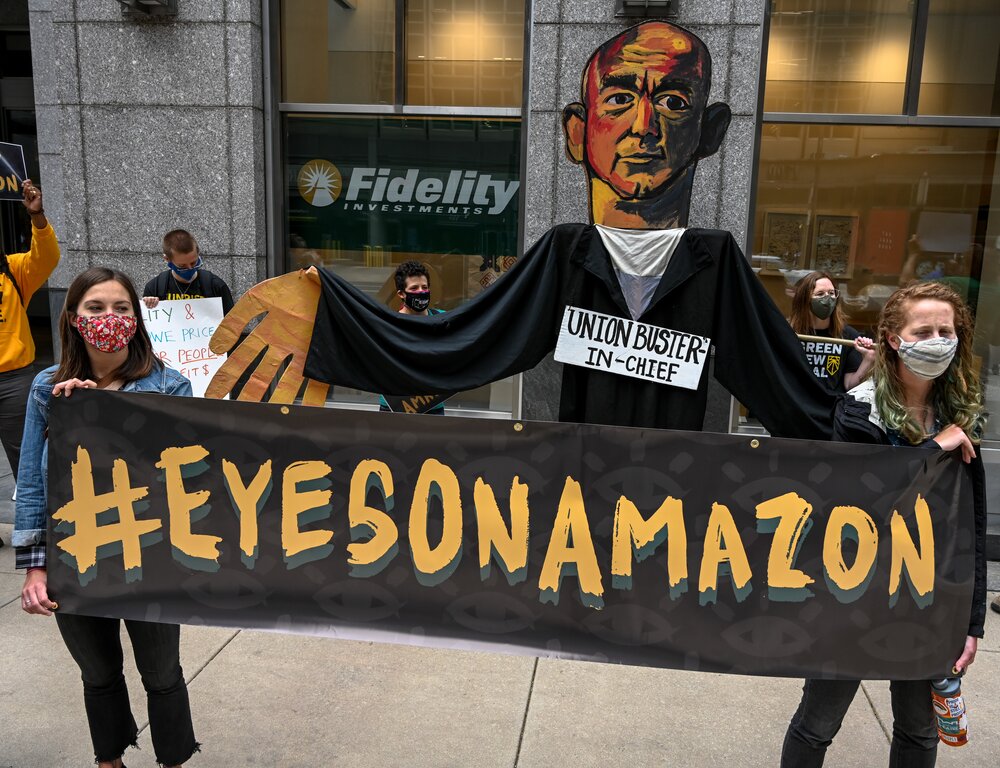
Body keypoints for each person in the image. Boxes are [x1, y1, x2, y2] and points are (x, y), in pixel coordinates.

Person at [207, 21, 836, 445]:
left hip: (675, 492)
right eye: (619, 99)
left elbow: (778, 378)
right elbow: (466, 341)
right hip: (582, 484)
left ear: (711, 129)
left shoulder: (713, 259)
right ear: (576, 130)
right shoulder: (569, 252)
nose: (645, 127)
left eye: (674, 102)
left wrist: (880, 407)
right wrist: (329, 313)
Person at [781, 281, 987, 767]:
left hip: (928, 596)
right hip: (855, 592)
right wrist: (934, 448)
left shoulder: (960, 412)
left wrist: (970, 621)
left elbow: (969, 530)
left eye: (946, 329)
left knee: (919, 731)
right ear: (894, 339)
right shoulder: (857, 412)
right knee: (817, 723)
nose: (938, 339)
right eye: (924, 330)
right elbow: (852, 504)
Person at [13, 267, 198, 768]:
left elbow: (186, 476)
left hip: (150, 554)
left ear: (136, 320)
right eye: (96, 308)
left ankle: (173, 760)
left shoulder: (171, 386)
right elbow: (32, 479)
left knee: (162, 671)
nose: (109, 318)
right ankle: (108, 760)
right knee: (97, 671)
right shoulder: (46, 389)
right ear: (74, 319)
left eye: (121, 308)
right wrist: (35, 565)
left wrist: (103, 412)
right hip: (76, 553)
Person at [0, 178, 60, 548]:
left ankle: (38, 530)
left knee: (28, 458)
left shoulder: (12, 270)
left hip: (14, 379)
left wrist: (36, 216)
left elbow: (47, 257)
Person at [378, 260, 446, 415]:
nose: (421, 292)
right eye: (414, 288)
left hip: (432, 406)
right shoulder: (388, 324)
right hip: (393, 406)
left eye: (424, 287)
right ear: (401, 293)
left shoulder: (443, 320)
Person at [789, 271, 875, 391]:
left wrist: (868, 359)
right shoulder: (789, 333)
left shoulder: (848, 336)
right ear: (805, 299)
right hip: (797, 405)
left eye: (831, 293)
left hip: (832, 407)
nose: (828, 298)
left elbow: (850, 385)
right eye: (820, 294)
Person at [142, 229, 234, 313]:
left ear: (198, 253)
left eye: (194, 262)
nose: (190, 268)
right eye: (182, 266)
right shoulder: (155, 287)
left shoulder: (216, 286)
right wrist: (148, 305)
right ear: (167, 259)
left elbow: (233, 324)